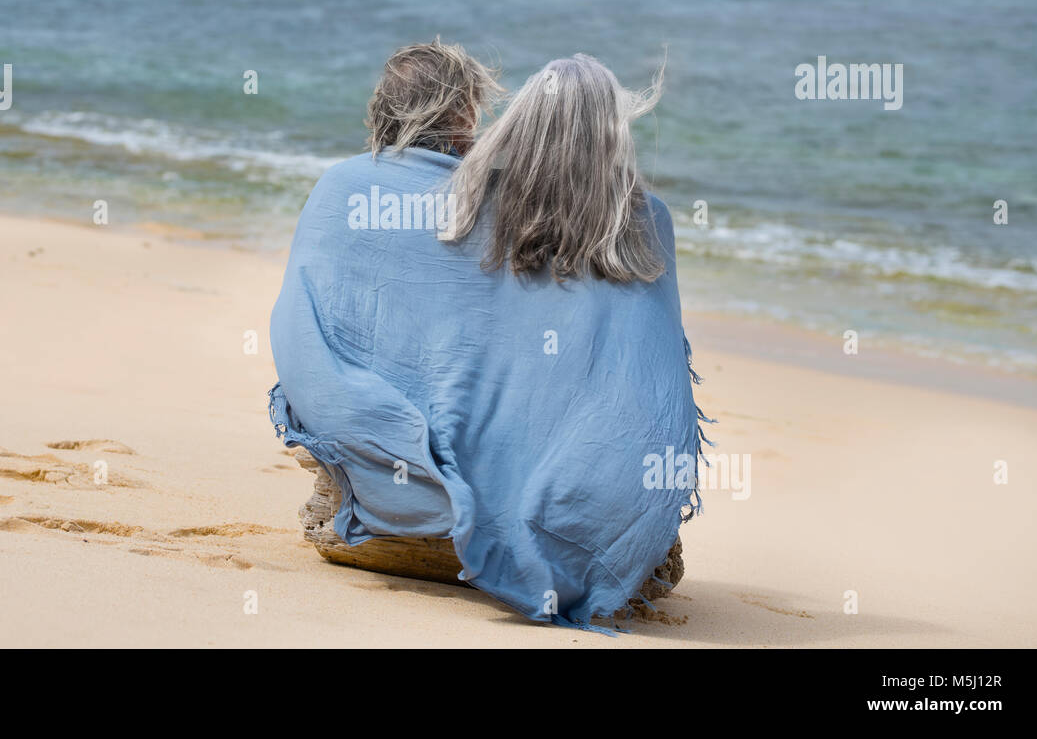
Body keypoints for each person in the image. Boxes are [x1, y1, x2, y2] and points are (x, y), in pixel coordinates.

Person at [268, 50, 708, 632]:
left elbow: (303, 336)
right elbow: (653, 391)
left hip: (385, 480)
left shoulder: (407, 192)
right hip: (572, 513)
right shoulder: (642, 220)